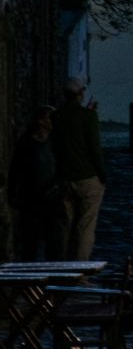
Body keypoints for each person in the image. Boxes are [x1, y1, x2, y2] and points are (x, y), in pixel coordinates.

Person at [51, 77, 106, 261]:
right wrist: (102, 174)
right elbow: (94, 150)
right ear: (80, 93)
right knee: (85, 226)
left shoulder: (56, 116)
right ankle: (79, 270)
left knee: (64, 226)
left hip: (64, 177)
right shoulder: (88, 117)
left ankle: (61, 268)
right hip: (87, 177)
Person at [6, 105, 64, 260]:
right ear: (41, 121)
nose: (53, 122)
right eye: (50, 118)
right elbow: (15, 170)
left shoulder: (54, 141)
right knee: (30, 242)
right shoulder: (27, 143)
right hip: (31, 199)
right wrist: (12, 194)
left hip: (51, 198)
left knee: (55, 243)